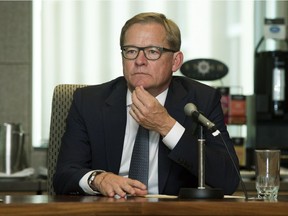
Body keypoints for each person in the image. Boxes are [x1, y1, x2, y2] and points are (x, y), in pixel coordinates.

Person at [53, 12, 240, 197]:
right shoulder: (89, 102)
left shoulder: (202, 100)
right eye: (131, 51)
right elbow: (63, 176)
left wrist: (166, 126)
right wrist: (98, 179)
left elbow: (228, 179)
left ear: (175, 61)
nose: (139, 61)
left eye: (152, 52)